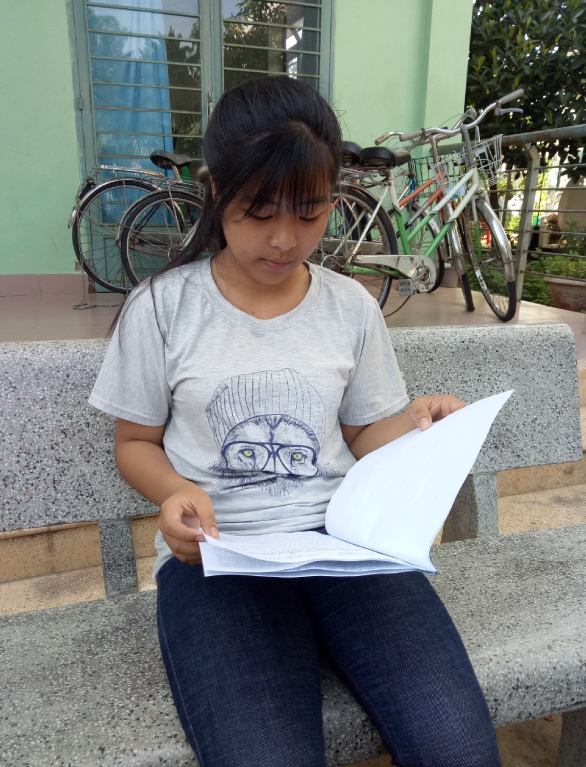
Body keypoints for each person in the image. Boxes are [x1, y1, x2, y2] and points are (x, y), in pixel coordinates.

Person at [89, 76, 502, 767]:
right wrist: (172, 493)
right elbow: (134, 442)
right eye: (259, 211)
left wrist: (419, 426)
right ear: (216, 189)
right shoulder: (163, 309)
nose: (285, 238)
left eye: (309, 213)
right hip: (217, 560)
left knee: (456, 746)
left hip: (346, 547)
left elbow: (368, 434)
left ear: (334, 200)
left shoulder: (350, 307)